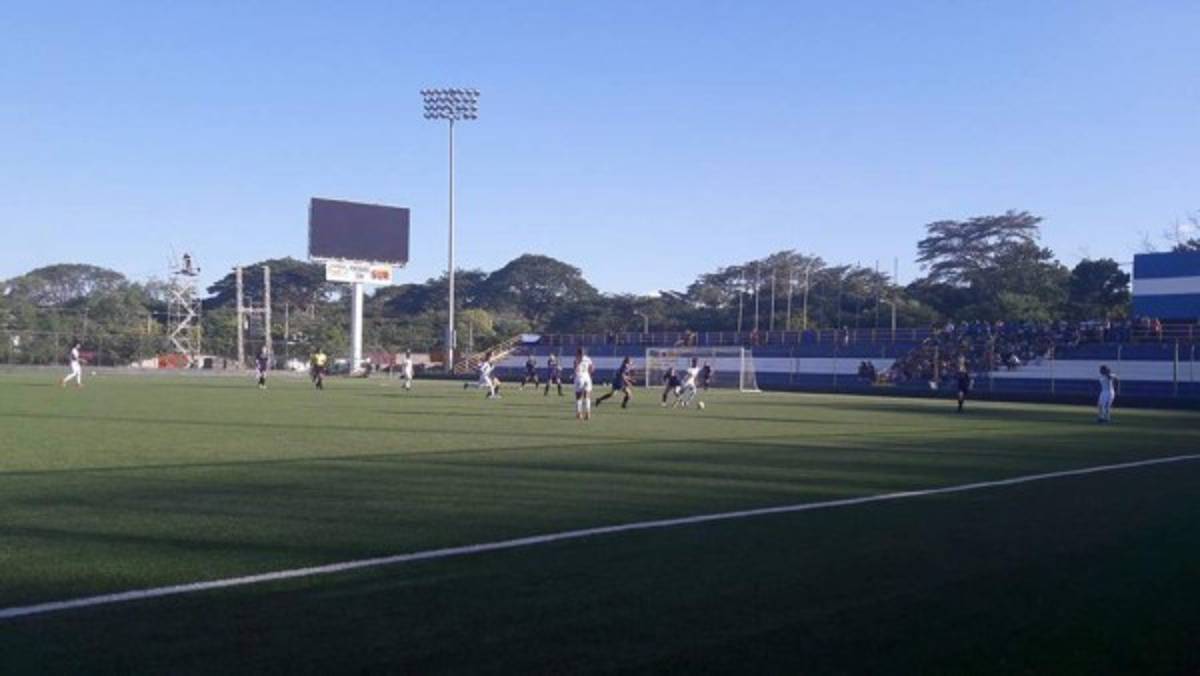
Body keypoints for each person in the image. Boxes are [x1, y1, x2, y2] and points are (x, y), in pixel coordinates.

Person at [573, 347, 594, 420]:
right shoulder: (588, 359)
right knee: (587, 396)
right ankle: (588, 413)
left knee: (578, 397)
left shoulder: (576, 359)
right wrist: (589, 375)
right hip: (587, 377)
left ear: (578, 353)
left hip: (579, 377)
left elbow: (575, 368)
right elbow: (592, 368)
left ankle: (579, 414)